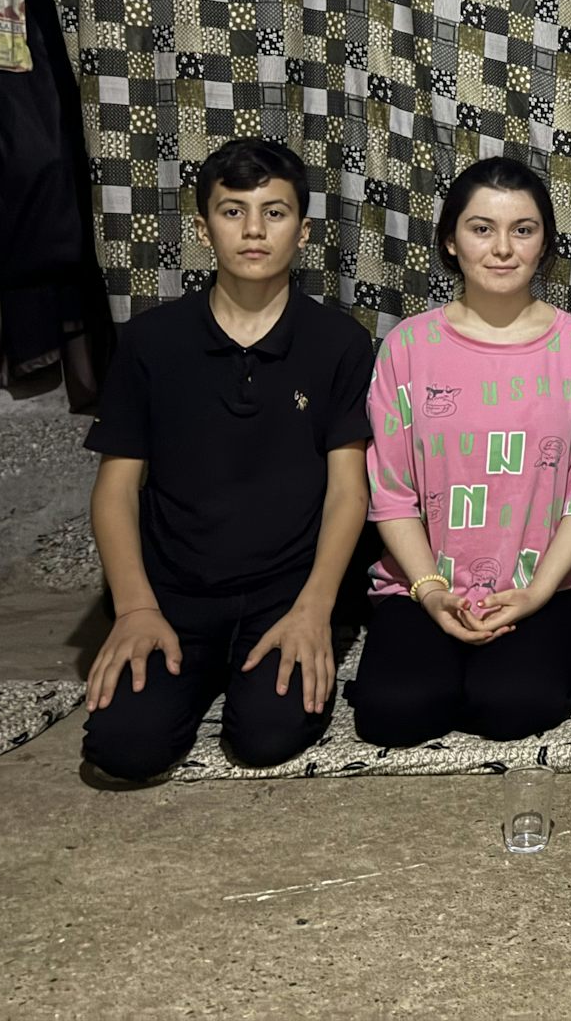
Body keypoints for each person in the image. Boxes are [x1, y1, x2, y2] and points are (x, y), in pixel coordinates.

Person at [80, 138, 372, 779]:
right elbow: (116, 487)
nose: (253, 231)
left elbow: (350, 490)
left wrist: (315, 609)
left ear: (302, 227)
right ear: (203, 224)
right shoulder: (151, 341)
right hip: (173, 591)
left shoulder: (339, 343)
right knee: (124, 749)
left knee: (267, 737)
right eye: (233, 211)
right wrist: (133, 608)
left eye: (274, 212)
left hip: (286, 590)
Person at [348, 157, 571, 747]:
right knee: (394, 714)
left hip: (544, 584)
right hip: (425, 582)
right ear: (451, 241)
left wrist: (535, 593)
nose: (502, 248)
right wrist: (430, 591)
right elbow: (393, 494)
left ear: (544, 244)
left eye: (522, 230)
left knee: (513, 707)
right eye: (482, 228)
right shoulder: (406, 347)